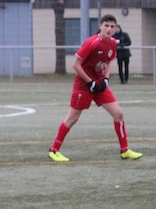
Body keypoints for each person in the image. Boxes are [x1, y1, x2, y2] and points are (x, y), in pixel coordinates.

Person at [49, 14, 141, 162]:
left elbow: (108, 63)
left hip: (99, 85)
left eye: (112, 26)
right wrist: (89, 82)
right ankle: (54, 150)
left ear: (115, 28)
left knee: (118, 113)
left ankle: (125, 150)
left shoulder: (112, 43)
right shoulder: (91, 43)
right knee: (72, 118)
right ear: (100, 26)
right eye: (106, 26)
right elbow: (76, 65)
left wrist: (105, 79)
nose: (109, 29)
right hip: (84, 86)